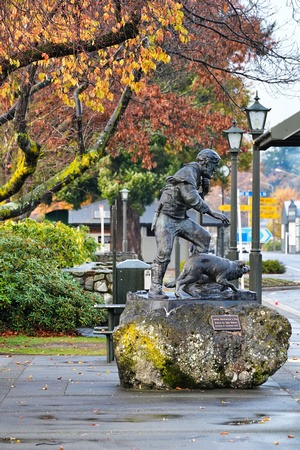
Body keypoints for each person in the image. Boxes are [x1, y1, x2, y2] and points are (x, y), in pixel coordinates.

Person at [148, 148, 230, 299]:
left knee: (204, 238)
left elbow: (196, 196)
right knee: (164, 252)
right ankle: (155, 289)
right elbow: (191, 199)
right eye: (214, 165)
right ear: (205, 163)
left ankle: (192, 283)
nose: (215, 170)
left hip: (180, 219)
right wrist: (213, 213)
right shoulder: (188, 173)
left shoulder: (198, 175)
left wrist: (204, 189)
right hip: (166, 219)